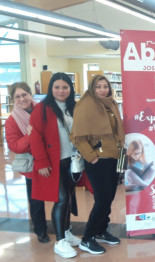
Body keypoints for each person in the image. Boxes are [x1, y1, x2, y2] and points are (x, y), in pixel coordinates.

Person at [71, 74, 125, 254]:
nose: (103, 90)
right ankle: (87, 238)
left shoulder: (111, 104)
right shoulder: (85, 106)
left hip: (114, 157)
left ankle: (101, 231)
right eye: (98, 87)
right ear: (92, 89)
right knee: (102, 200)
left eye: (105, 86)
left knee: (109, 198)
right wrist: (91, 157)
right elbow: (77, 136)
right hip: (98, 160)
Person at [30, 72, 82, 258]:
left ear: (70, 89)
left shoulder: (73, 107)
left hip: (71, 160)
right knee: (60, 199)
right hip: (53, 162)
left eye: (65, 87)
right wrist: (41, 162)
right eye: (57, 87)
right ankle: (60, 241)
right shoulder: (42, 109)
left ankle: (66, 232)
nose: (61, 91)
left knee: (68, 197)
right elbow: (35, 137)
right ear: (51, 89)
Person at [5, 82, 49, 243]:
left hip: (51, 159)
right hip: (32, 164)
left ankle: (64, 226)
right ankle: (40, 231)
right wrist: (30, 136)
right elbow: (14, 145)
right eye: (17, 96)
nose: (22, 99)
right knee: (36, 199)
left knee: (61, 196)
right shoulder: (12, 121)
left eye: (25, 95)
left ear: (31, 94)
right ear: (13, 100)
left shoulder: (43, 111)